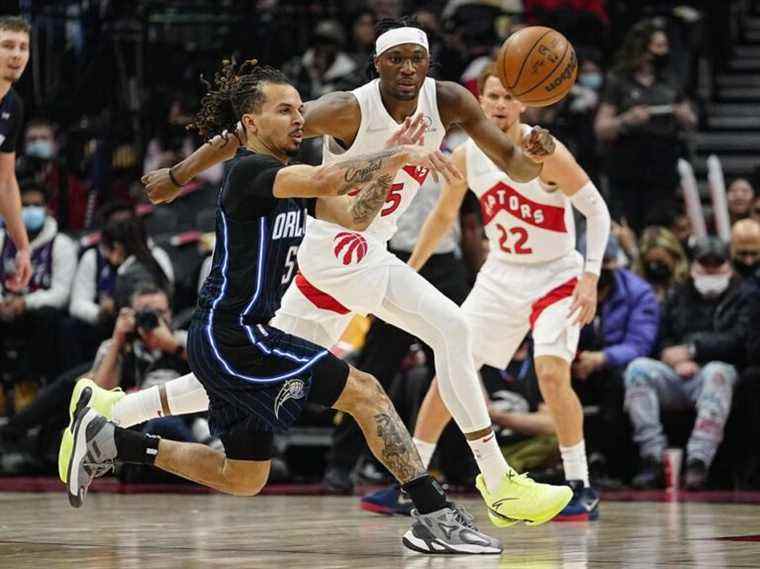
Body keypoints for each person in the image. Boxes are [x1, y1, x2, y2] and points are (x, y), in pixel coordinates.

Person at [139, 19, 572, 527]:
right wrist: (177, 175)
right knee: (453, 329)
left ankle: (115, 412)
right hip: (337, 245)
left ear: (429, 62)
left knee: (250, 371)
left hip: (361, 242)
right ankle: (498, 482)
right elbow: (245, 131)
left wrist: (537, 156)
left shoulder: (451, 101)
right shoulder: (349, 107)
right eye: (396, 59)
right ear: (377, 64)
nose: (408, 68)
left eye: (417, 57)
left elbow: (515, 165)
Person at [62, 58, 502, 555]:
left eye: (299, 109)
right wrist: (393, 156)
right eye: (284, 110)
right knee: (367, 393)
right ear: (251, 123)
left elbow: (356, 216)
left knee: (245, 476)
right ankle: (434, 515)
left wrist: (392, 160)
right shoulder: (252, 171)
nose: (298, 118)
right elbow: (328, 181)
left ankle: (112, 439)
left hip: (236, 336)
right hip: (236, 335)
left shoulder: (287, 176)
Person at [367, 62, 610, 522]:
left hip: (556, 274)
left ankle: (581, 483)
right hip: (501, 276)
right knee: (449, 371)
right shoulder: (466, 155)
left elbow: (596, 211)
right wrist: (407, 271)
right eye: (492, 97)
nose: (500, 105)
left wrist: (591, 276)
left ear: (525, 102)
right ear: (480, 101)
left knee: (552, 373)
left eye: (508, 98)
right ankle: (411, 482)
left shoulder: (544, 150)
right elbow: (442, 219)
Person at [624, 236, 748, 490]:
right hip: (676, 374)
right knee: (638, 369)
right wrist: (673, 358)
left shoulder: (745, 294)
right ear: (693, 265)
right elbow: (661, 339)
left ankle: (698, 462)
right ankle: (654, 457)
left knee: (717, 372)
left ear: (729, 265)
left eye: (718, 263)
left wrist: (694, 350)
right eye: (705, 263)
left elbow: (740, 340)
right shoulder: (678, 293)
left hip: (717, 372)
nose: (711, 269)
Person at [594, 19, 697, 233]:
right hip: (627, 164)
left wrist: (684, 115)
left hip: (663, 163)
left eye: (665, 46)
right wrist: (627, 120)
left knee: (660, 225)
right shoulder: (618, 80)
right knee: (629, 224)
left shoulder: (671, 79)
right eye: (658, 46)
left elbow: (691, 119)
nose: (664, 51)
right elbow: (602, 127)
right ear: (642, 48)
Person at [572, 234, 660, 482]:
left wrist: (602, 358)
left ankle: (605, 461)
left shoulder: (638, 292)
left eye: (605, 265)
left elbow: (641, 343)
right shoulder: (566, 287)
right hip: (576, 362)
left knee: (617, 379)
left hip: (615, 364)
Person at [0, 182, 77, 382]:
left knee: (49, 318)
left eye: (37, 205)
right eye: (25, 205)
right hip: (4, 307)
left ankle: (31, 384)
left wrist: (26, 303)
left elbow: (61, 294)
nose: (31, 210)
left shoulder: (61, 244)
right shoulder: (1, 240)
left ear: (47, 209)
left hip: (38, 313)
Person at [0, 16, 33, 290]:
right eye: (8, 45)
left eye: (23, 47)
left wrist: (23, 248)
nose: (16, 54)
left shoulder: (14, 106)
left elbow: (6, 181)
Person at [633, 226, 689, 302]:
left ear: (675, 258)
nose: (655, 268)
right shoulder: (636, 292)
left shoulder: (688, 288)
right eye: (650, 264)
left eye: (660, 262)